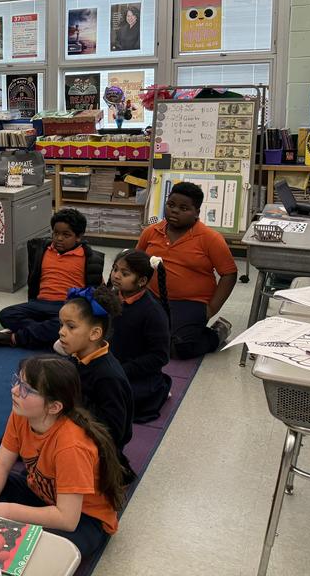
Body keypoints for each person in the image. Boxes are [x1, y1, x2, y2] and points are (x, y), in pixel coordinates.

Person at [0, 356, 125, 561]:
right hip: (42, 495)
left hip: (83, 516)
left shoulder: (71, 446)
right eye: (17, 381)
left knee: (58, 550)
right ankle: (19, 530)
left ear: (54, 407)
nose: (15, 390)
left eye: (26, 389)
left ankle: (17, 530)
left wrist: (6, 511)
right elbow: (1, 463)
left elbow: (68, 519)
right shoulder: (21, 414)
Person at [137, 181, 237, 358]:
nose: (174, 211)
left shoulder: (210, 238)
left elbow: (229, 274)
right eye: (171, 205)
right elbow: (136, 262)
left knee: (178, 348)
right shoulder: (151, 232)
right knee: (135, 336)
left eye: (184, 208)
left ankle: (216, 333)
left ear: (197, 212)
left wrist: (212, 308)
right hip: (153, 297)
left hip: (191, 302)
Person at [0, 208, 103, 349]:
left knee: (71, 324)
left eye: (66, 235)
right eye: (56, 233)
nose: (59, 238)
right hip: (39, 303)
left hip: (67, 306)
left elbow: (96, 289)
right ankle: (51, 337)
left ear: (78, 237)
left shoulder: (90, 258)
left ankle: (14, 338)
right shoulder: (41, 249)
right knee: (6, 314)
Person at [56, 287, 134, 482]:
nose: (61, 332)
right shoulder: (78, 357)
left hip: (98, 448)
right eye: (61, 325)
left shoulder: (108, 376)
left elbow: (115, 432)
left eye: (70, 327)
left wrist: (69, 398)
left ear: (95, 333)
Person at [108, 250, 172, 422]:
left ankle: (161, 389)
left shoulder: (152, 312)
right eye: (115, 269)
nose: (116, 276)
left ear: (142, 281)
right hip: (109, 364)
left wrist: (122, 370)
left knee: (114, 401)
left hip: (134, 373)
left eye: (125, 274)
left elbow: (159, 356)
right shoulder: (110, 298)